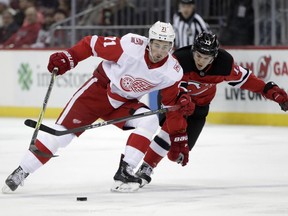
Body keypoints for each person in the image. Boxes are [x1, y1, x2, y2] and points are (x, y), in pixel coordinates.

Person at [2, 21, 193, 193]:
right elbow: (91, 43)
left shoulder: (172, 72)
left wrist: (178, 137)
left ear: (171, 46)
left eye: (165, 46)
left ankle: (125, 171)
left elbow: (171, 108)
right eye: (157, 44)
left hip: (124, 104)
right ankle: (21, 172)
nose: (160, 51)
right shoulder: (130, 46)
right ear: (149, 42)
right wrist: (69, 57)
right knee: (61, 135)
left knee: (150, 120)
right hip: (97, 93)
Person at [136, 32, 288, 187]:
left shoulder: (224, 64)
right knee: (169, 133)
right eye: (198, 55)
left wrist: (270, 91)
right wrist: (178, 133)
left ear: (214, 57)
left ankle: (152, 161)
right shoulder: (180, 60)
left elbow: (247, 80)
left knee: (180, 153)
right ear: (193, 51)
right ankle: (146, 168)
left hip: (200, 107)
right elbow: (172, 92)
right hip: (175, 101)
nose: (201, 61)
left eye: (206, 57)